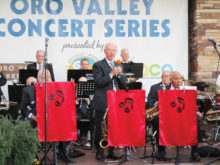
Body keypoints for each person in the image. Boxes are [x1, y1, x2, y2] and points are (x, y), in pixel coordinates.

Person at [147, 71, 201, 162]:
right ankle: (161, 150)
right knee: (158, 119)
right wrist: (157, 104)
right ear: (170, 80)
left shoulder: (187, 90)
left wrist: (197, 111)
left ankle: (194, 152)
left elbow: (192, 104)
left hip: (183, 117)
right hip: (168, 117)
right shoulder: (164, 90)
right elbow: (153, 104)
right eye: (176, 78)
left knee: (196, 120)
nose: (179, 80)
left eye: (180, 78)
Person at [92, 42, 127, 161]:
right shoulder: (98, 65)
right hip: (102, 101)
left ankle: (110, 151)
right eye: (109, 50)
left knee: (113, 128)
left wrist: (121, 75)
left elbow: (123, 85)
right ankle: (99, 151)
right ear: (105, 51)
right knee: (101, 128)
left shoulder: (119, 65)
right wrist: (112, 73)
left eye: (113, 50)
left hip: (116, 101)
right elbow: (99, 82)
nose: (111, 52)